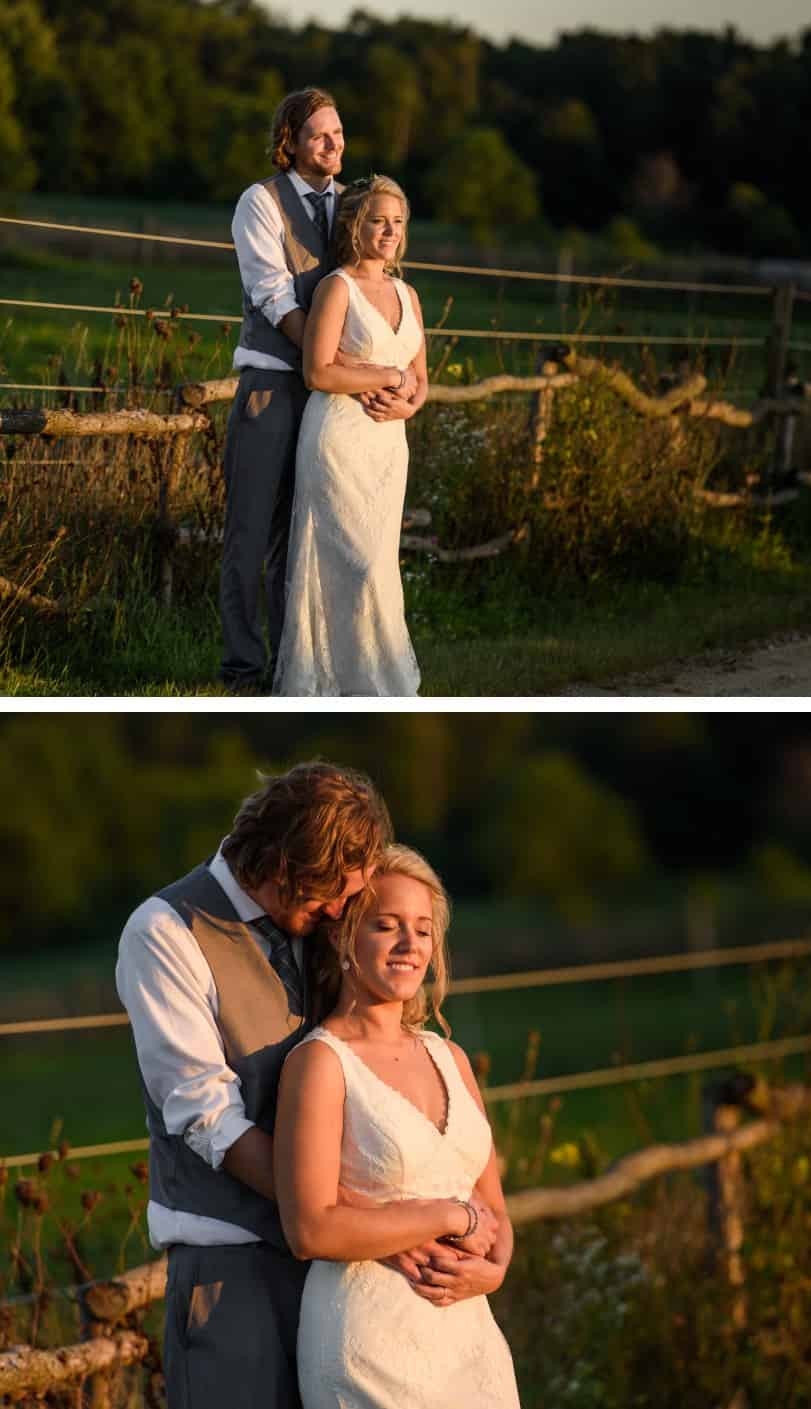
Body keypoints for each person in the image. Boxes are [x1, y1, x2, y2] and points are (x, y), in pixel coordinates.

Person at [114, 763, 496, 1408]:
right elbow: (207, 1117)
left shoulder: (317, 920)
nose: (342, 911)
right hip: (236, 1271)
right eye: (332, 895)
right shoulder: (164, 932)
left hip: (357, 1277)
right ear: (281, 864)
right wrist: (366, 1220)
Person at [276, 844, 520, 1408]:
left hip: (469, 1339)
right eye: (387, 926)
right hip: (368, 1341)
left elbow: (495, 1209)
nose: (411, 946)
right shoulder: (320, 1063)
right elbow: (309, 1229)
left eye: (424, 929)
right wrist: (444, 1215)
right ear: (342, 938)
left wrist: (496, 1272)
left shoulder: (449, 1057)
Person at [271, 174, 428, 696]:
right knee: (352, 566)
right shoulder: (337, 288)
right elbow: (318, 372)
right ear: (356, 226)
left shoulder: (409, 294)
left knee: (380, 568)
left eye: (397, 223)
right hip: (338, 441)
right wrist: (386, 378)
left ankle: (378, 683)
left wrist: (408, 402)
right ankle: (334, 680)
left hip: (387, 448)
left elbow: (421, 381)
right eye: (378, 221)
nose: (389, 232)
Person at [217, 89, 344, 692]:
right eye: (319, 134)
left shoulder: (352, 207)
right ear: (288, 140)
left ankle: (289, 672)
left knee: (301, 542)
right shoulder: (258, 203)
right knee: (248, 534)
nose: (333, 144)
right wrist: (326, 358)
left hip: (330, 400)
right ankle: (242, 670)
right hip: (271, 385)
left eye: (338, 133)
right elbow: (274, 297)